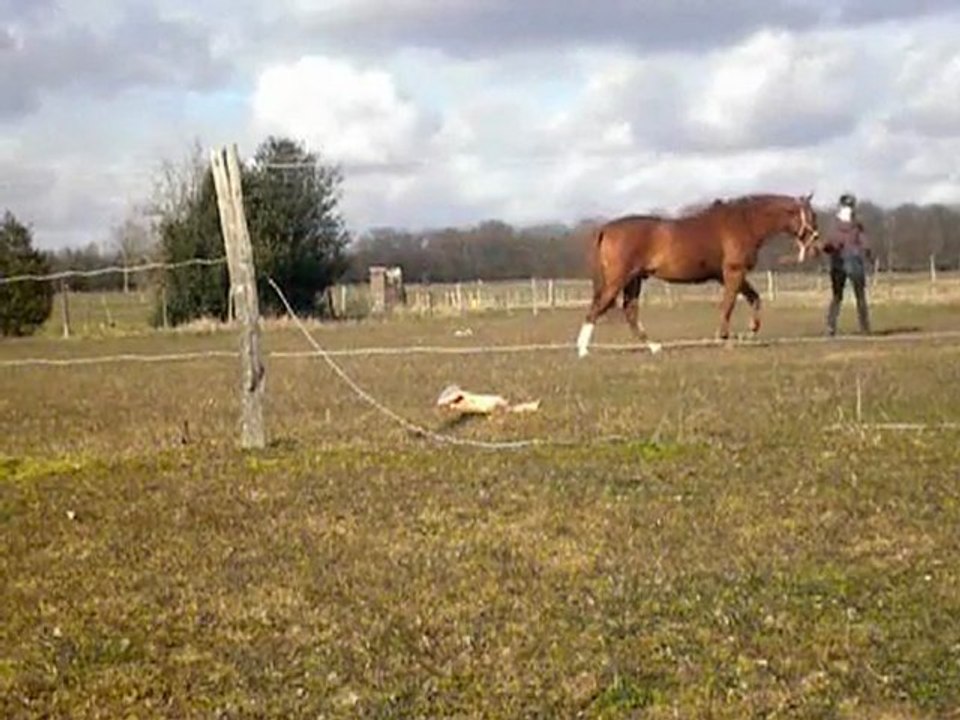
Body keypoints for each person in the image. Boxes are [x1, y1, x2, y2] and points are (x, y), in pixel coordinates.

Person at [823, 192, 872, 335]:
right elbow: (865, 243)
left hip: (839, 261)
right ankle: (864, 327)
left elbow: (829, 244)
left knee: (837, 296)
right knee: (859, 296)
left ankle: (831, 326)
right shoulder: (857, 225)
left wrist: (825, 248)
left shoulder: (835, 226)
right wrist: (867, 253)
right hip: (852, 261)